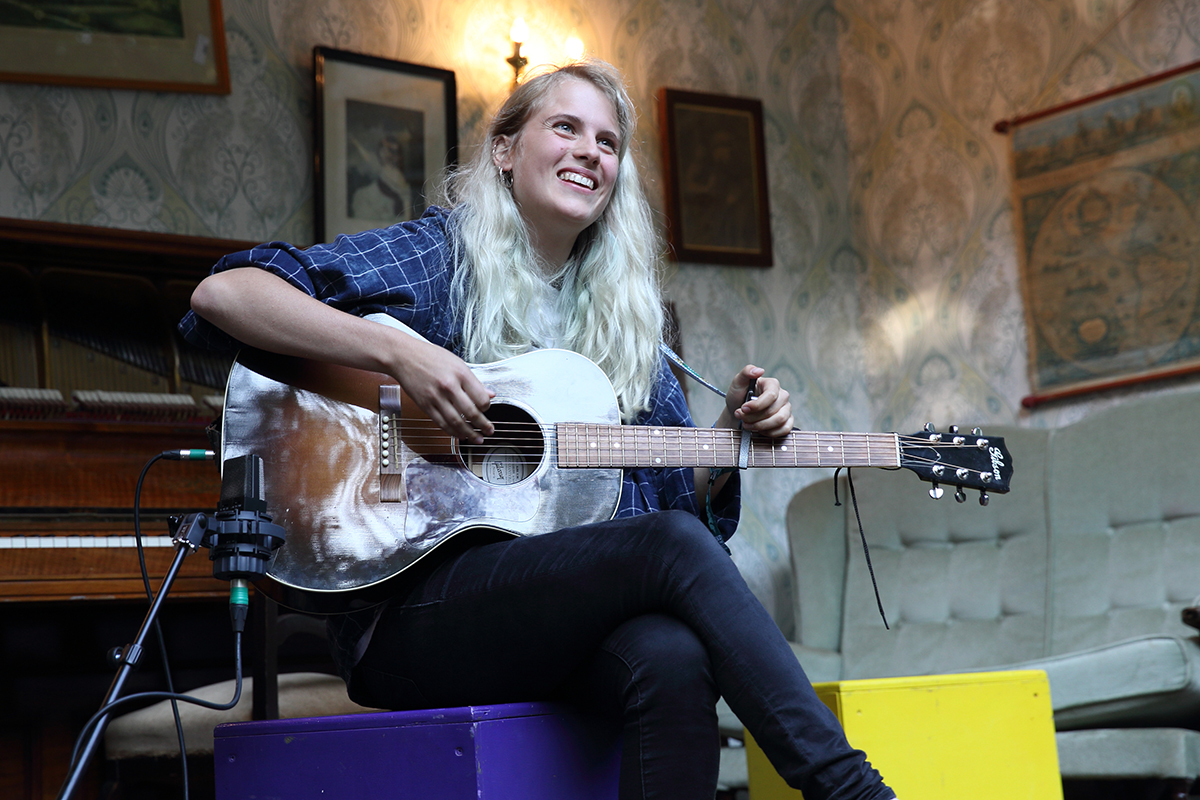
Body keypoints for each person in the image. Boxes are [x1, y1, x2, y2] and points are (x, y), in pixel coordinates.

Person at [181, 59, 896, 800]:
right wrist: (403, 352)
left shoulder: (628, 321)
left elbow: (672, 512)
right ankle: (853, 790)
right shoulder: (439, 258)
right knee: (669, 554)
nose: (591, 150)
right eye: (566, 127)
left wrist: (730, 435)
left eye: (608, 143)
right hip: (403, 618)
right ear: (505, 150)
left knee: (673, 656)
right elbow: (225, 294)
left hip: (545, 620)